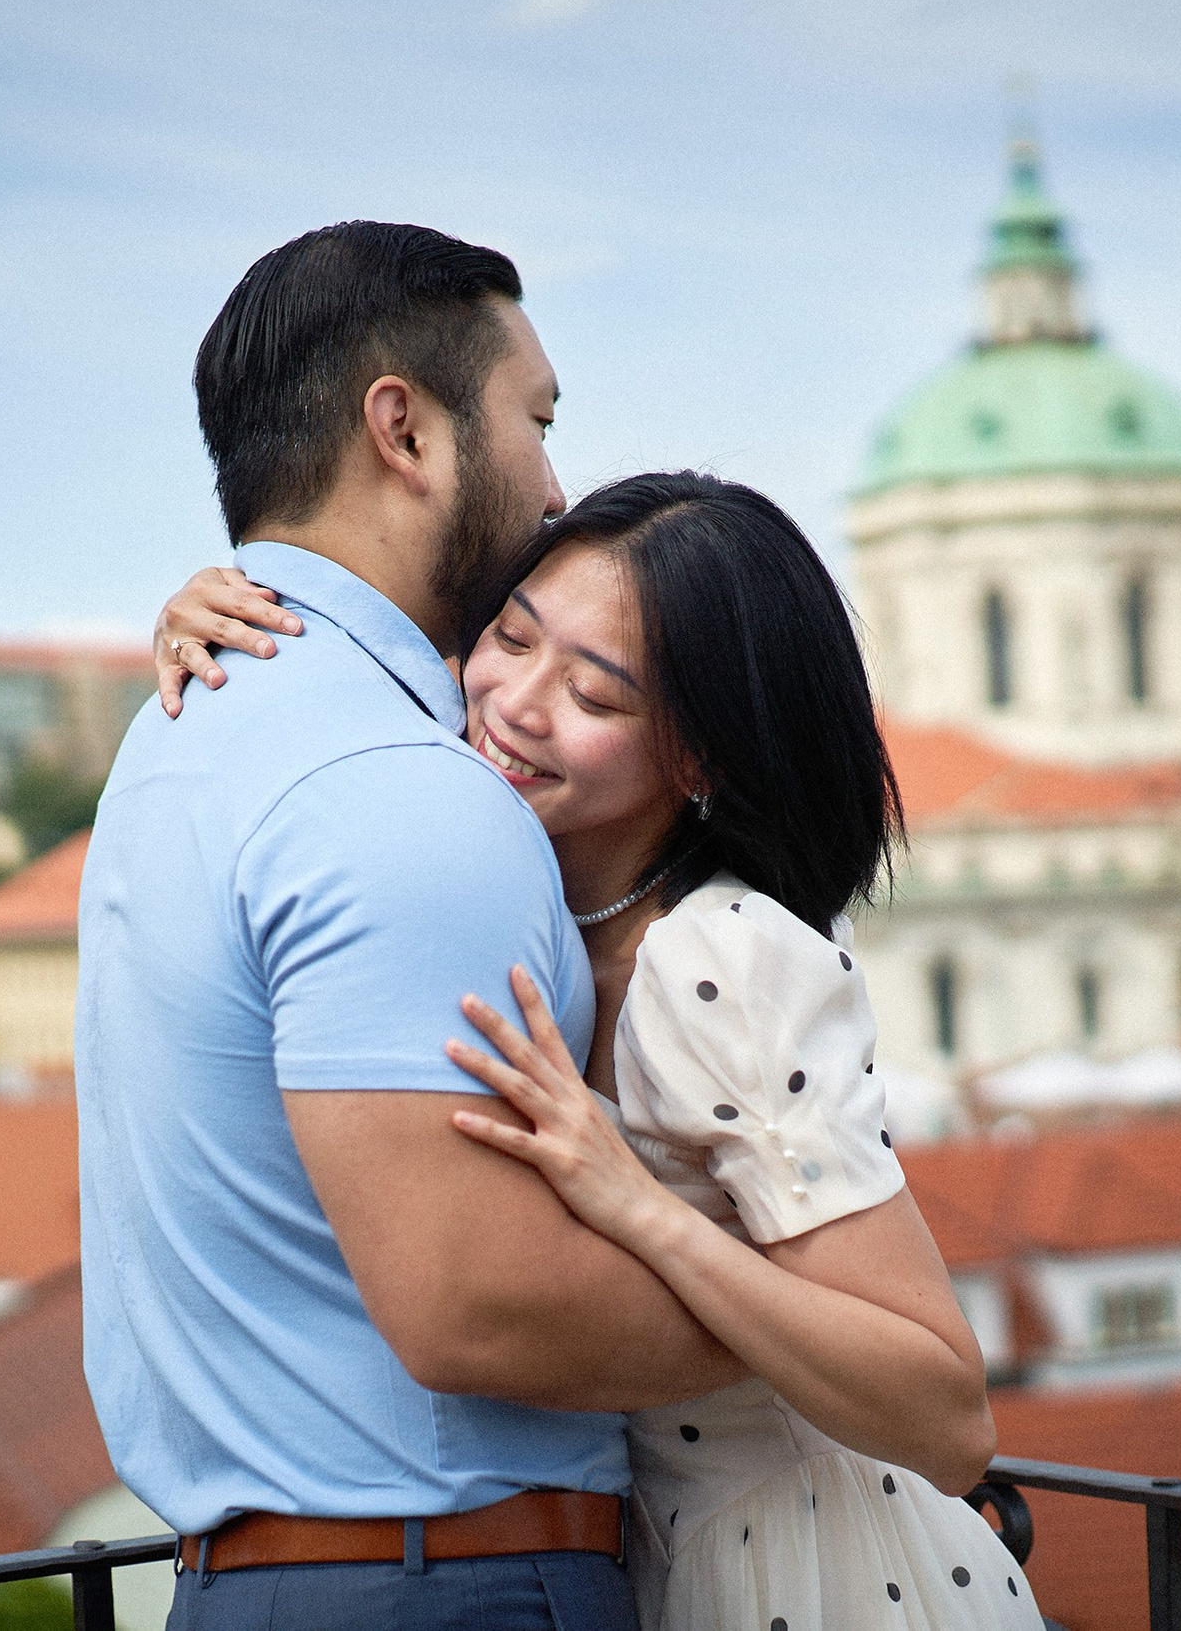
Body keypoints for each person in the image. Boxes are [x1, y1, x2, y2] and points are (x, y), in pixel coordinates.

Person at [153, 473, 1046, 1631]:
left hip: (813, 1577)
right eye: (511, 637)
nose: (515, 702)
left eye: (594, 694)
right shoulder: (514, 904)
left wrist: (641, 1209)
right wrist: (213, 613)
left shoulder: (719, 960)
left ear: (697, 762)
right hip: (643, 1561)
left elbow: (946, 1413)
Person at [78, 223, 744, 1631]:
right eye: (538, 419)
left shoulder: (183, 725)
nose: (558, 482)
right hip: (450, 1580)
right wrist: (816, 1322)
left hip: (288, 1577)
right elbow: (476, 1308)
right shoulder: (396, 788)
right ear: (408, 428)